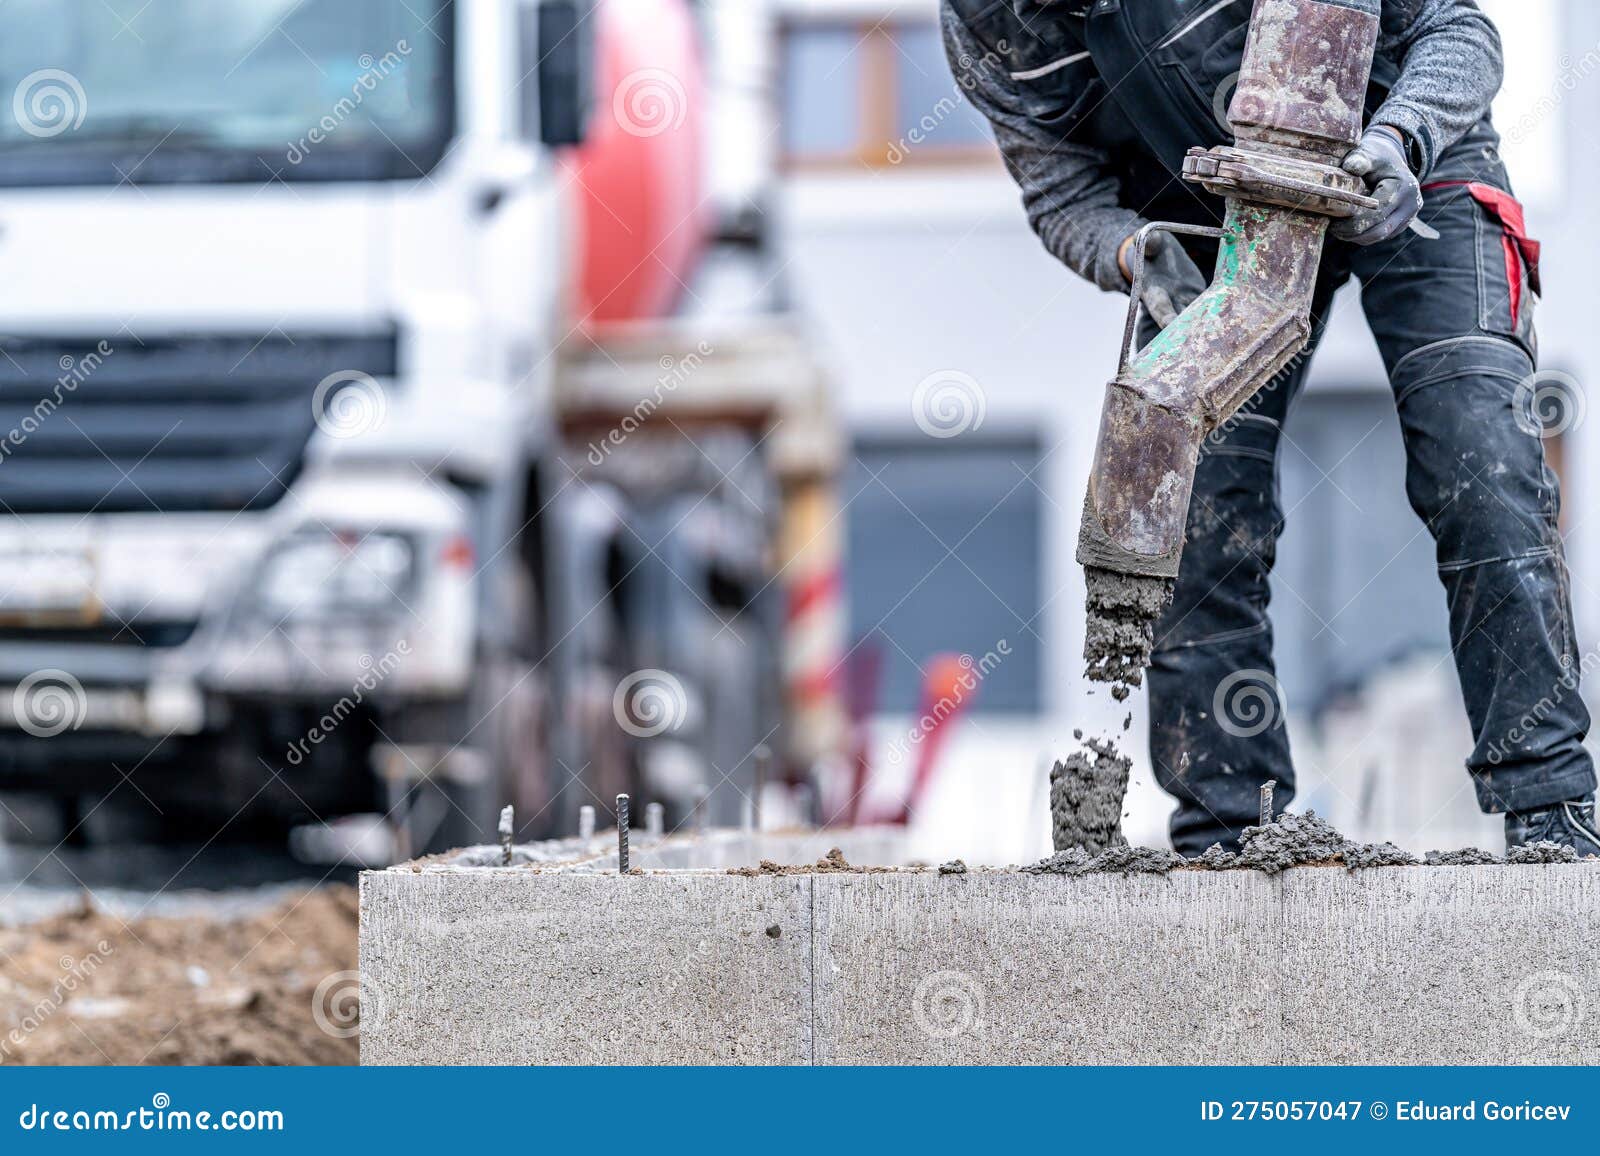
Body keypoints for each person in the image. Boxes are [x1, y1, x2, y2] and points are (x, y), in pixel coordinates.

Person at [943, 0, 1597, 855]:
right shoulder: (987, 23)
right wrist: (1132, 252)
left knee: (1480, 454)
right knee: (1188, 508)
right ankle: (1232, 837)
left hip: (1407, 162)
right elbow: (1062, 191)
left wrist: (1402, 138)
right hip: (1217, 222)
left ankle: (1549, 809)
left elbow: (1458, 29)